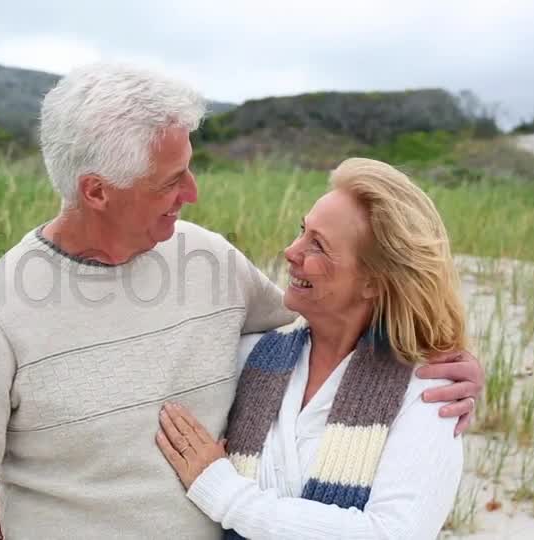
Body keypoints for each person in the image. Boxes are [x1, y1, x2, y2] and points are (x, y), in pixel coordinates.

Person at [0, 64, 483, 540]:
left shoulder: (210, 263)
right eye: (170, 181)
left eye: (190, 169)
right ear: (97, 190)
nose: (193, 193)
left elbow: (333, 326)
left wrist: (448, 360)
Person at [155, 158, 468, 539]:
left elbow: (393, 533)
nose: (291, 251)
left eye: (317, 245)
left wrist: (225, 494)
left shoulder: (430, 392)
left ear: (374, 281)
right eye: (302, 230)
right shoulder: (251, 357)